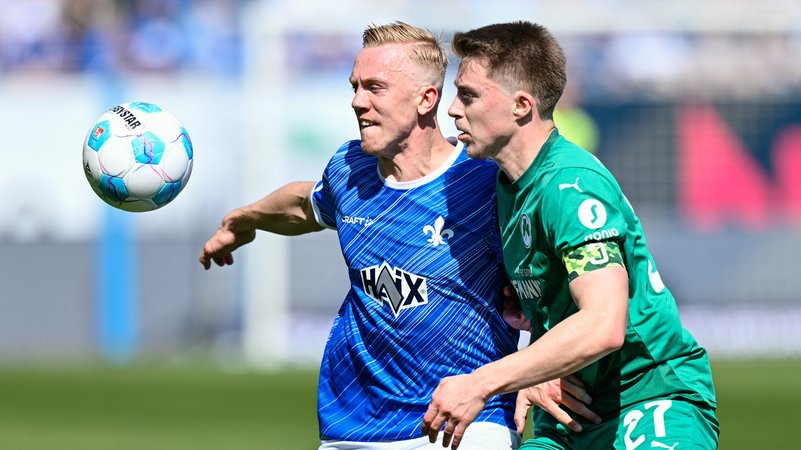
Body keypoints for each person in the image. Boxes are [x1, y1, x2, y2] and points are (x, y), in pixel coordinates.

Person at [200, 21, 531, 450]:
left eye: (375, 88)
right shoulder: (350, 168)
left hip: (467, 419)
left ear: (426, 99)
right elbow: (304, 204)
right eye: (355, 87)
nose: (358, 101)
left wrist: (543, 369)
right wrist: (244, 220)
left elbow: (560, 282)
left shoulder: (485, 181)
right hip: (354, 424)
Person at [422, 21, 719, 450]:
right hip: (567, 416)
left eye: (468, 95)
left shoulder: (569, 187)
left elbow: (603, 324)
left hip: (649, 397)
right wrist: (534, 355)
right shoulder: (503, 183)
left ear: (521, 105)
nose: (453, 109)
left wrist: (482, 382)